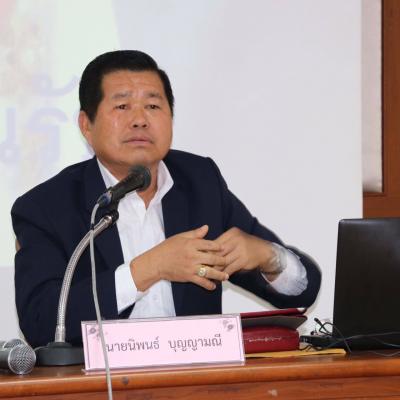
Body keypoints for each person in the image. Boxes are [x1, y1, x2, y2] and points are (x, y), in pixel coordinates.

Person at [12, 50, 321, 348]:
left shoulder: (200, 182)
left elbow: (303, 291)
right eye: (122, 106)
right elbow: (40, 322)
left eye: (153, 106)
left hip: (197, 377)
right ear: (86, 125)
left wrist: (270, 257)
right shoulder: (46, 206)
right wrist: (149, 268)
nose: (139, 120)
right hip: (100, 379)